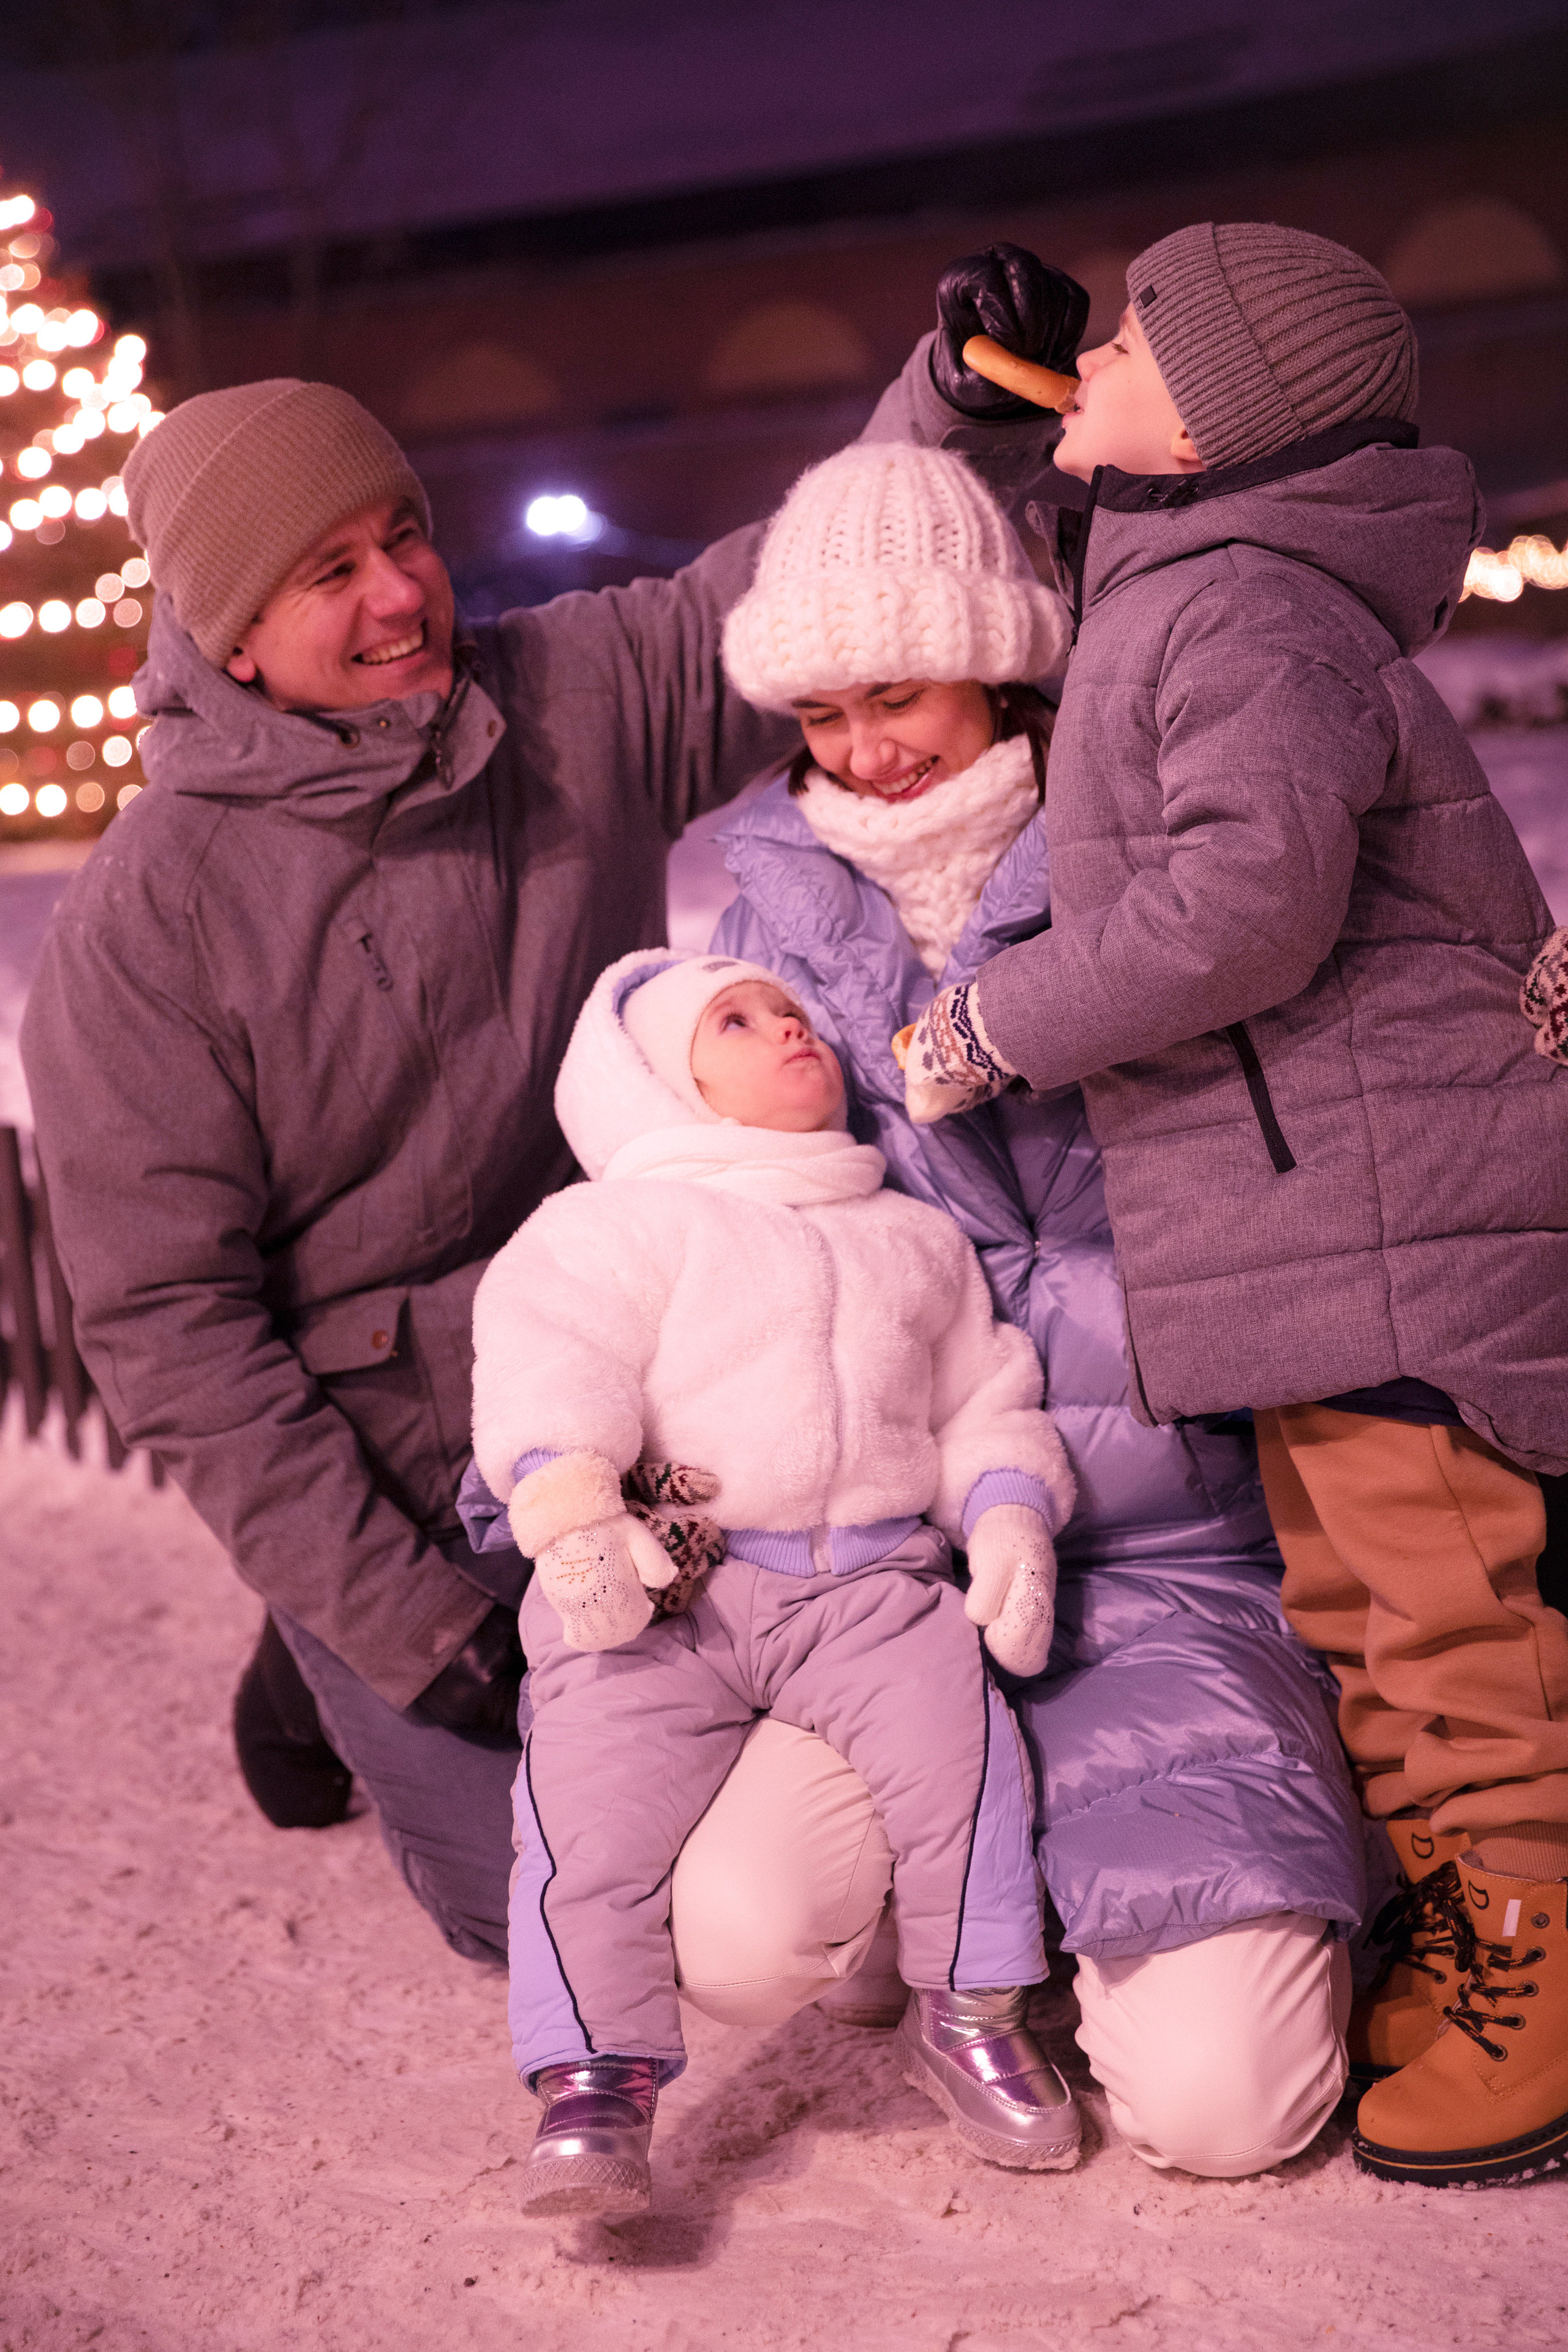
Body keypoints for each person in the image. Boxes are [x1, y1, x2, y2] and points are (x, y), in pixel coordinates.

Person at [13, 258, 1088, 1980]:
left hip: (646, 1375)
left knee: (725, 1808)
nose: (400, 593)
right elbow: (169, 1331)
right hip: (394, 1462)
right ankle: (321, 1647)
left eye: (404, 536)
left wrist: (959, 404)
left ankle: (336, 1642)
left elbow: (799, 586)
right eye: (330, 571)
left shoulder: (562, 701)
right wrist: (403, 1623)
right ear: (230, 639)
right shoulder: (149, 933)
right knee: (554, 1903)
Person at [898, 223, 1568, 2191]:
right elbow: (1012, 528)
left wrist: (1001, 1022)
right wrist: (983, 397)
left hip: (1392, 1221)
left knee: (1450, 1626)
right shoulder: (1187, 579)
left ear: (1215, 425)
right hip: (1314, 1228)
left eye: (1131, 340)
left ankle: (1542, 1948)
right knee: (1361, 1614)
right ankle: (1462, 1924)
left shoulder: (1245, 613)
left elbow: (1246, 905)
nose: (1090, 358)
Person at [704, 434, 1364, 2182]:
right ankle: (962, 1911)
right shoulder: (764, 922)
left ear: (997, 666)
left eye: (899, 694)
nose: (865, 749)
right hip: (902, 1578)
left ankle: (1151, 1913)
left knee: (1225, 2116)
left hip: (1174, 1555)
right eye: (822, 712)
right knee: (733, 1932)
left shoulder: (1166, 872)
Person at [466, 951, 1080, 2213]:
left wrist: (1009, 1514)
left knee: (962, 1758)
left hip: (866, 1583)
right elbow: (546, 1360)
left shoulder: (907, 1235)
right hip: (666, 1584)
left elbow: (982, 1396)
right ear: (653, 1083)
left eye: (791, 1013)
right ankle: (595, 2074)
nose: (786, 1032)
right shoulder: (615, 1223)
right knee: (587, 1806)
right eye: (734, 1025)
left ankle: (968, 2008)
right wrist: (572, 1507)